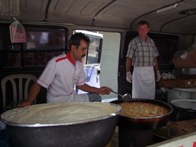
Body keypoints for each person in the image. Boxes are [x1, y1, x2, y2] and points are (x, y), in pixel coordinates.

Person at [19, 33, 111, 107]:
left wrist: (98, 90)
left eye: (86, 49)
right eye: (83, 49)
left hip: (71, 98)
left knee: (96, 97)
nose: (85, 52)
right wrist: (29, 101)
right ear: (73, 48)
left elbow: (80, 85)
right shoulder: (56, 62)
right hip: (56, 102)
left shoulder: (79, 64)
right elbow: (39, 84)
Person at [126, 20, 161, 99]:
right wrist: (128, 72)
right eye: (140, 28)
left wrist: (157, 71)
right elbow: (129, 58)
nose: (143, 30)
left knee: (150, 95)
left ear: (148, 29)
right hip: (138, 72)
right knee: (138, 95)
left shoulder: (151, 42)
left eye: (145, 28)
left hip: (150, 72)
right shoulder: (134, 42)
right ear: (137, 30)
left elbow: (154, 57)